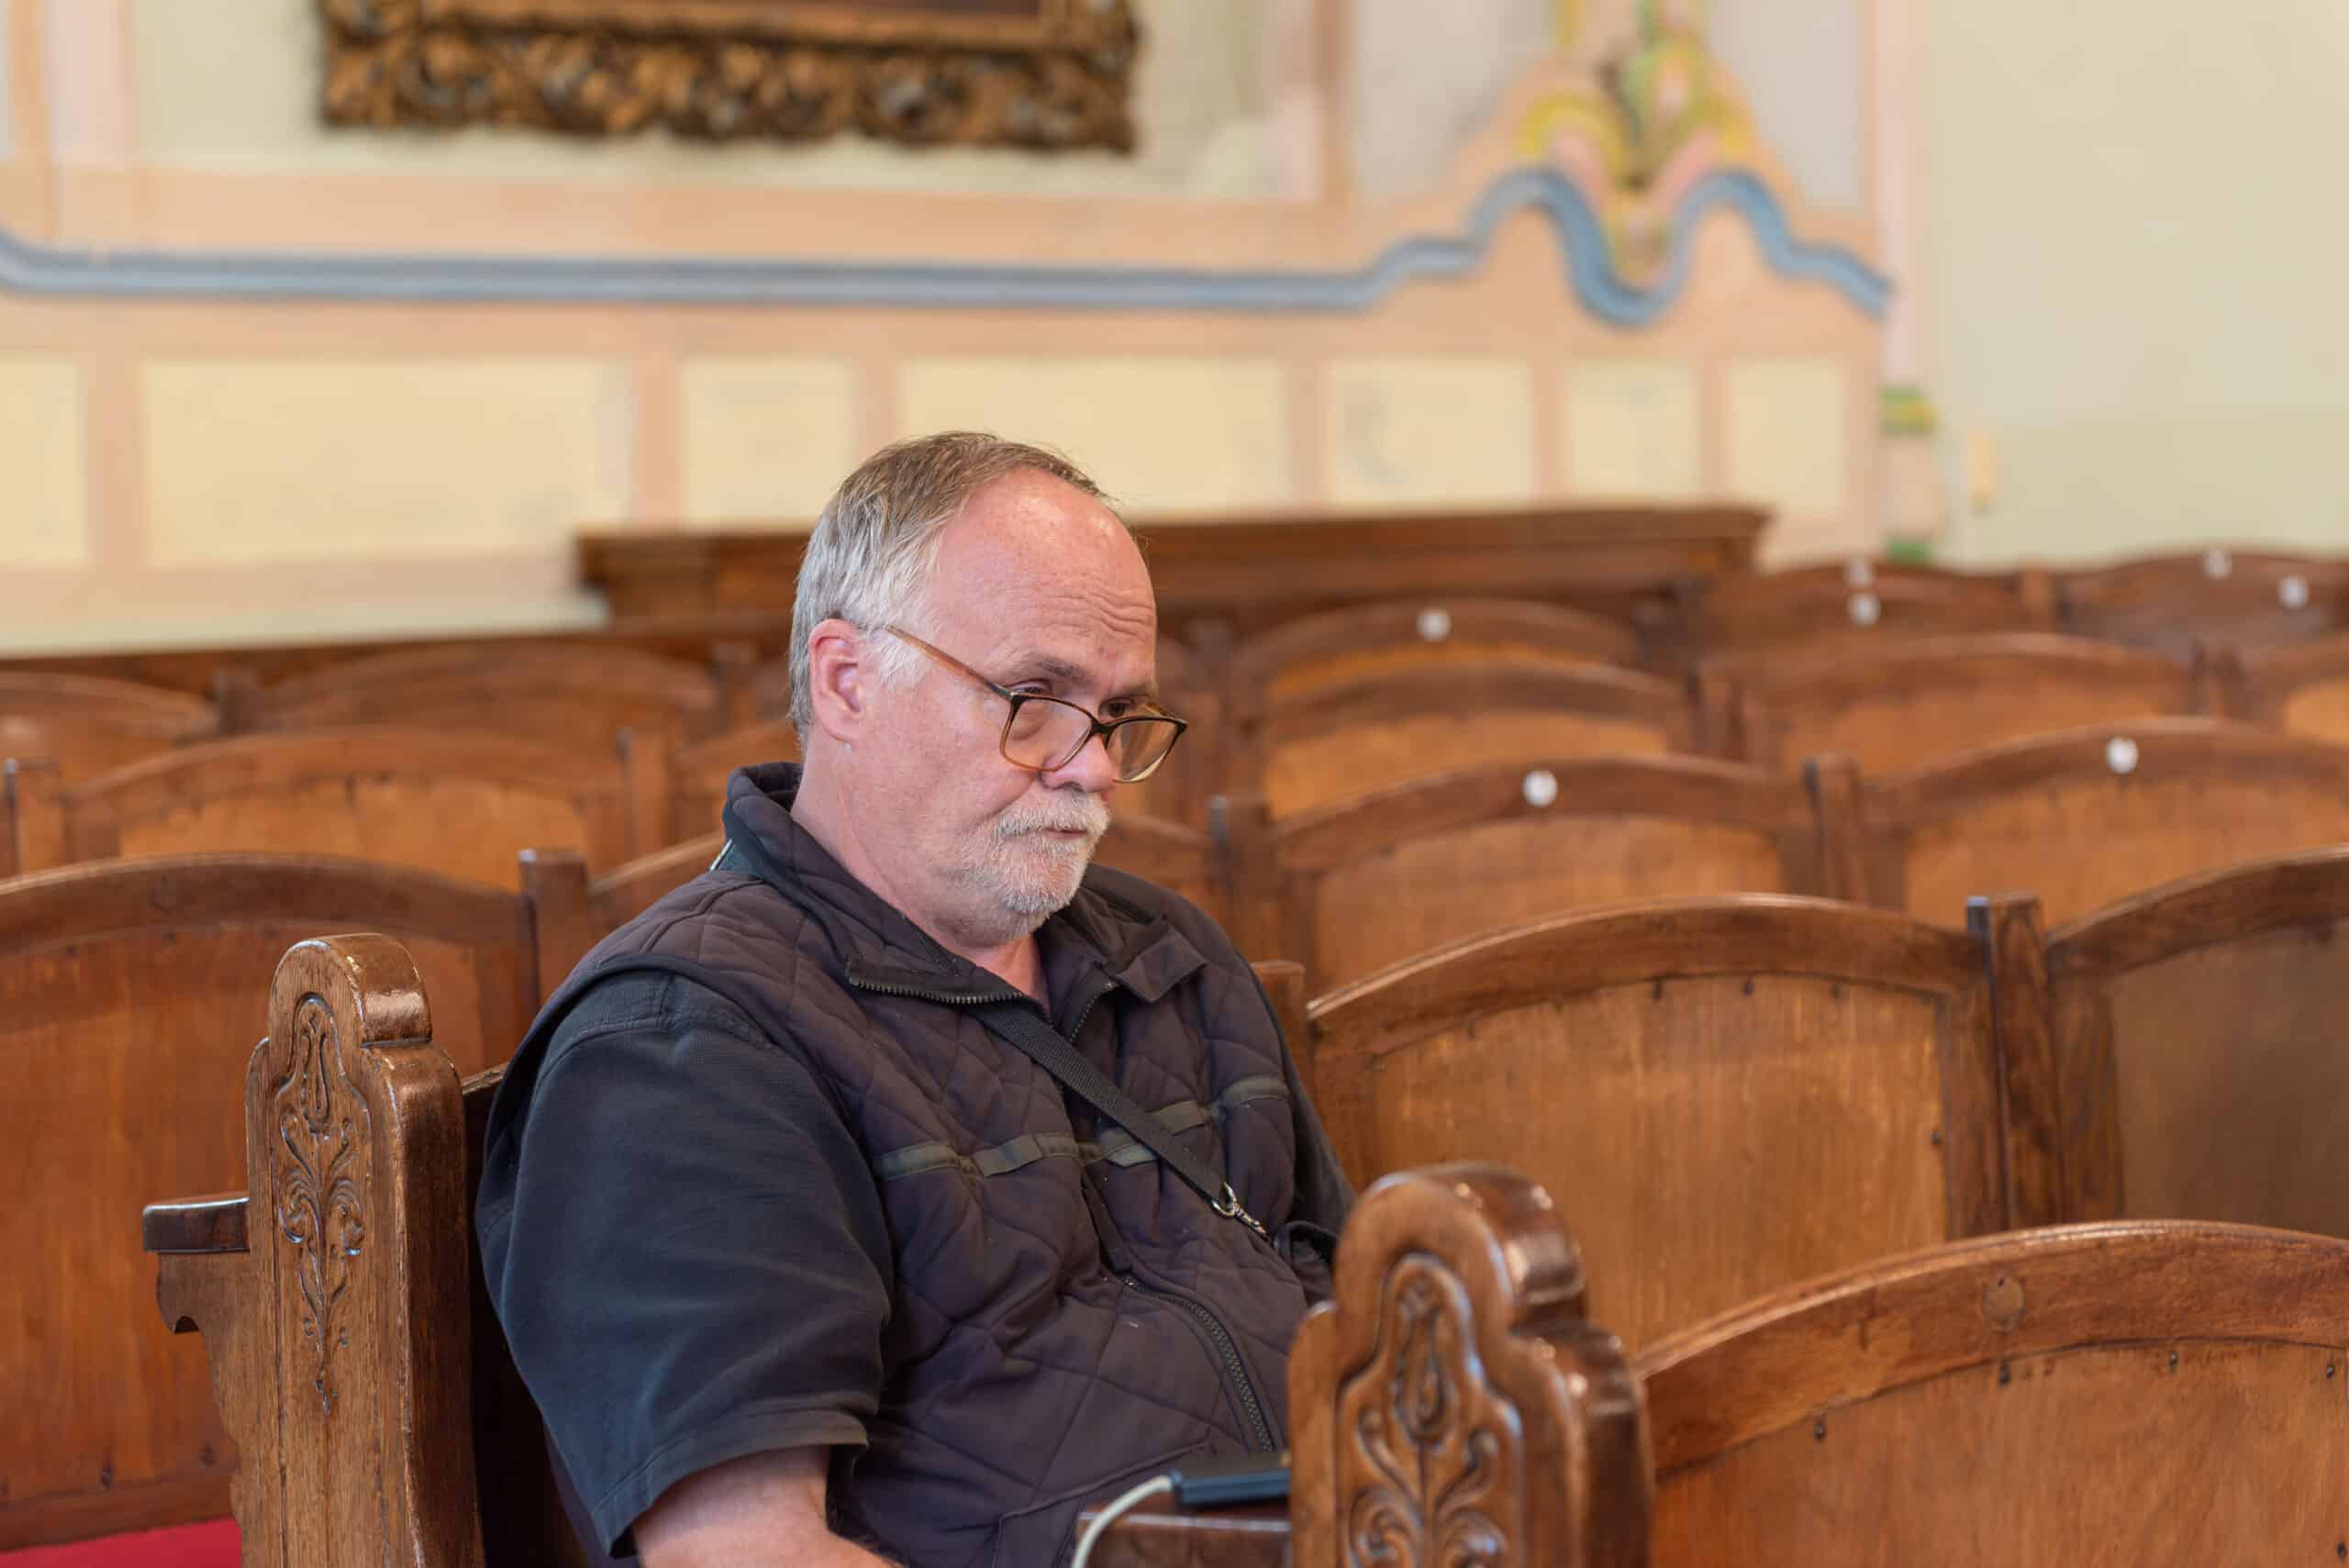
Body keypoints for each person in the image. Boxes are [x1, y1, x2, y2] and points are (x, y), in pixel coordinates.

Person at [478, 432, 1353, 1566]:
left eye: (1117, 712)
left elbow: (1372, 1329)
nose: (1091, 765)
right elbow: (741, 1551)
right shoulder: (683, 1040)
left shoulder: (1169, 957)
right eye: (1033, 698)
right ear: (847, 679)